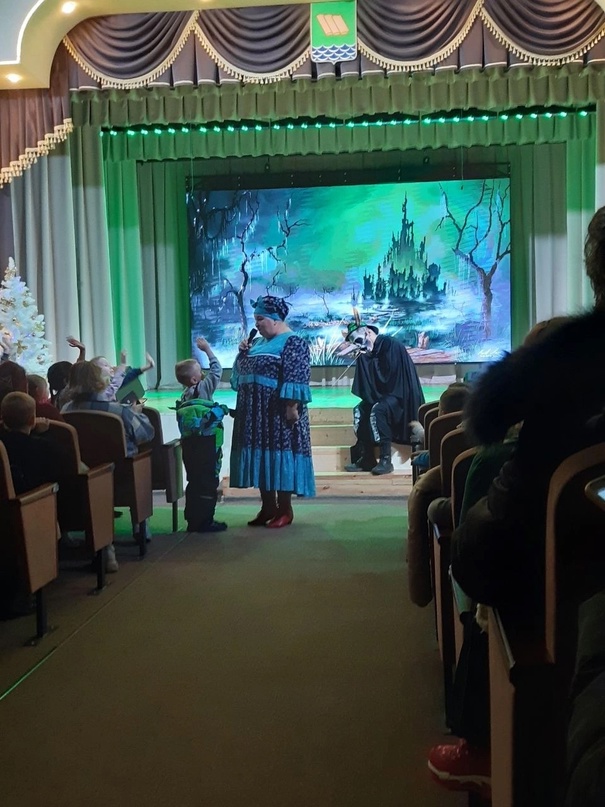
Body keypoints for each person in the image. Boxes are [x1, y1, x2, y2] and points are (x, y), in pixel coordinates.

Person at [230, 295, 315, 527]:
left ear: (275, 319)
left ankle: (285, 509)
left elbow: (296, 375)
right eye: (255, 319)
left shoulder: (293, 342)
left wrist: (291, 407)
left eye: (260, 319)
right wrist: (242, 353)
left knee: (279, 455)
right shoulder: (257, 343)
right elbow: (239, 375)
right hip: (255, 413)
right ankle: (268, 506)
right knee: (263, 458)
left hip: (277, 413)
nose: (256, 324)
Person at [0, 392, 69, 615]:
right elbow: (64, 469)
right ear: (32, 419)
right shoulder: (43, 447)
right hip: (30, 512)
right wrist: (44, 434)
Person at [406, 382, 471, 607]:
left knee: (432, 506)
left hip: (466, 528)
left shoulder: (455, 444)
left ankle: (420, 589)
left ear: (442, 413)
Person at [340, 314, 425, 475]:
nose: (358, 345)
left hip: (400, 396)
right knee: (360, 409)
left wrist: (369, 358)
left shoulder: (390, 345)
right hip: (383, 395)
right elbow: (370, 381)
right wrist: (365, 357)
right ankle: (367, 457)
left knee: (378, 410)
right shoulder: (368, 352)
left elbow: (392, 377)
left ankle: (386, 459)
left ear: (368, 333)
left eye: (358, 340)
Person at [174, 336, 227, 534]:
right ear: (195, 380)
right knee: (208, 482)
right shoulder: (203, 388)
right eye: (200, 371)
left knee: (194, 482)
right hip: (207, 443)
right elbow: (217, 370)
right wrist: (207, 350)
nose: (204, 373)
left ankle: (193, 520)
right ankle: (206, 521)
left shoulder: (184, 396)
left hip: (190, 445)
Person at [61, 361, 155, 458]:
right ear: (99, 382)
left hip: (85, 463)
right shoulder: (119, 411)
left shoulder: (65, 409)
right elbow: (147, 434)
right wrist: (134, 413)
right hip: (123, 464)